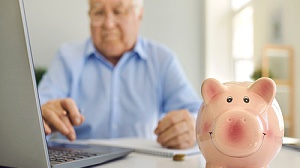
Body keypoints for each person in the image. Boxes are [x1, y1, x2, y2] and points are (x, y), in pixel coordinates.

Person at [38, 0, 201, 149]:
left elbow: (198, 115)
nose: (108, 24)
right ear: (89, 16)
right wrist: (43, 113)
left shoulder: (162, 59)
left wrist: (192, 126)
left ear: (139, 15)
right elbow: (37, 112)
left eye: (119, 11)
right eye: (99, 12)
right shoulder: (66, 57)